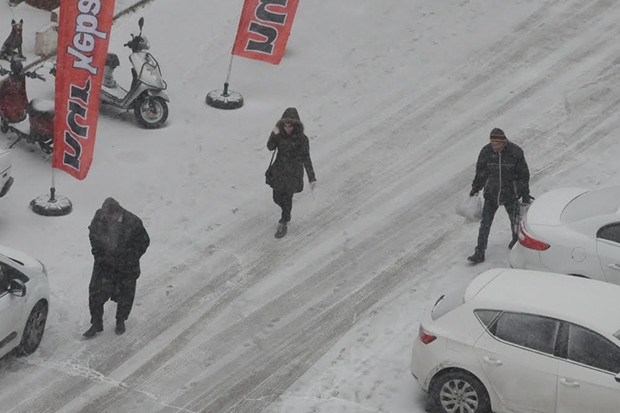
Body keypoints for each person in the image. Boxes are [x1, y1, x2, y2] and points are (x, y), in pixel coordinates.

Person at [83, 197, 150, 337]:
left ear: (117, 213)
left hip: (126, 266)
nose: (106, 218)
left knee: (125, 294)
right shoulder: (99, 216)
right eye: (105, 215)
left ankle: (121, 320)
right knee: (96, 293)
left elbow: (144, 242)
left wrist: (129, 257)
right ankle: (96, 323)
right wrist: (98, 253)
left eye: (109, 216)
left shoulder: (133, 222)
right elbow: (93, 234)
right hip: (104, 264)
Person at [467, 128, 530, 264]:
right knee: (485, 224)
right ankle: (479, 252)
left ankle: (516, 242)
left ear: (504, 141)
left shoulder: (515, 152)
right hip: (491, 193)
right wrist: (475, 187)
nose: (495, 147)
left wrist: (524, 193)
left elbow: (523, 175)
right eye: (493, 144)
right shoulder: (486, 152)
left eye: (498, 144)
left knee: (515, 222)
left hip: (510, 194)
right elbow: (481, 173)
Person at [267, 107, 317, 238]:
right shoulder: (279, 135)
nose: (287, 128)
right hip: (279, 170)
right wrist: (274, 133)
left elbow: (306, 158)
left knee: (287, 197)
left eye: (290, 126)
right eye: (285, 125)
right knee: (276, 197)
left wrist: (311, 177)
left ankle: (284, 220)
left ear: (295, 125)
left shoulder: (302, 139)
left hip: (293, 173)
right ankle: (286, 212)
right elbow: (270, 147)